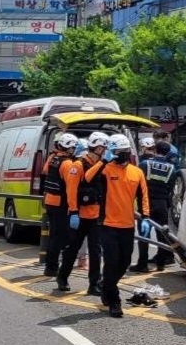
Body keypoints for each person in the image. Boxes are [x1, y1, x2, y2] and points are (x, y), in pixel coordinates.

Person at [84, 133, 150, 318]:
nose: (124, 155)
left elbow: (143, 196)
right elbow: (88, 178)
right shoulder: (105, 170)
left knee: (125, 262)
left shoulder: (137, 172)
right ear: (113, 153)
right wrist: (103, 161)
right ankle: (115, 301)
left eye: (126, 151)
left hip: (128, 225)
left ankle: (105, 285)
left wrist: (145, 217)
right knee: (112, 262)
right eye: (120, 152)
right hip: (107, 224)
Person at [56, 131, 110, 295]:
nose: (105, 150)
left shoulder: (103, 165)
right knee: (72, 249)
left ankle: (94, 284)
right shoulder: (78, 165)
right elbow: (71, 190)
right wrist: (73, 211)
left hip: (96, 216)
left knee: (96, 251)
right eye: (104, 147)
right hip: (79, 215)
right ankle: (62, 277)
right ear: (98, 147)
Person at [130, 140, 177, 273]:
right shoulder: (172, 168)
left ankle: (142, 263)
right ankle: (161, 263)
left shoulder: (145, 164)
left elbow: (137, 183)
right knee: (161, 234)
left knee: (144, 234)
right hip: (162, 203)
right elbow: (171, 188)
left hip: (146, 202)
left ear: (155, 149)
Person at [42, 132, 82, 278]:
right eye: (73, 147)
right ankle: (52, 267)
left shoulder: (53, 158)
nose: (75, 150)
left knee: (54, 236)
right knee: (59, 238)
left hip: (49, 201)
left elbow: (45, 171)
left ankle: (50, 265)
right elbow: (71, 186)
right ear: (69, 148)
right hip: (60, 203)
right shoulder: (67, 163)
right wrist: (73, 209)